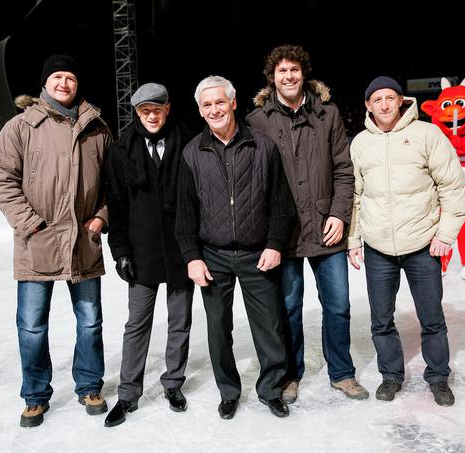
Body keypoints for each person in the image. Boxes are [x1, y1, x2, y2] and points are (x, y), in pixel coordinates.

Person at [0, 54, 112, 427]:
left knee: (90, 322)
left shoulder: (98, 129)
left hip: (82, 242)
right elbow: (2, 180)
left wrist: (100, 218)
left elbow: (113, 186)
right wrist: (31, 225)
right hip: (36, 243)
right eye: (57, 76)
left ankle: (89, 386)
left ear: (77, 84)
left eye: (70, 77)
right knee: (31, 325)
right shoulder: (21, 127)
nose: (64, 83)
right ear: (45, 83)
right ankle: (35, 395)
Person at [246, 44, 367, 403]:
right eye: (282, 71)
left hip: (326, 229)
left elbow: (345, 170)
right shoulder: (258, 121)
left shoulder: (327, 114)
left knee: (339, 305)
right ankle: (291, 374)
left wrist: (339, 214)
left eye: (294, 70)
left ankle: (342, 373)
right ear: (272, 77)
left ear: (304, 73)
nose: (289, 76)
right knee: (288, 307)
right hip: (282, 234)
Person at [175, 75, 295, 420]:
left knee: (269, 326)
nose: (214, 109)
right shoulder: (191, 153)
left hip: (258, 254)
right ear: (200, 111)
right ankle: (229, 391)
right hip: (213, 256)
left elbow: (281, 203)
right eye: (207, 105)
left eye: (219, 102)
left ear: (233, 103)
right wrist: (192, 258)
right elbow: (185, 214)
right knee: (218, 329)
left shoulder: (262, 145)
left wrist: (274, 245)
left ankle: (271, 389)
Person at [347, 76, 465, 406]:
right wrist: (353, 239)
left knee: (431, 317)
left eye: (390, 98)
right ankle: (391, 375)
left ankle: (438, 376)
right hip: (377, 247)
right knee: (381, 319)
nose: (384, 104)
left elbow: (453, 186)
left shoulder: (427, 134)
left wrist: (445, 234)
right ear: (368, 105)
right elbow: (355, 196)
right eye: (377, 99)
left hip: (422, 245)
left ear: (401, 101)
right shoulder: (360, 144)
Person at [103, 83, 195, 427]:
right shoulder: (120, 150)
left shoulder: (187, 141)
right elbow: (117, 203)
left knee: (179, 322)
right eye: (145, 111)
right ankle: (128, 394)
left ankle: (173, 383)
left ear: (167, 108)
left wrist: (195, 249)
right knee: (137, 324)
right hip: (141, 253)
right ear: (137, 113)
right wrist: (121, 251)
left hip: (180, 249)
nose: (152, 115)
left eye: (157, 109)